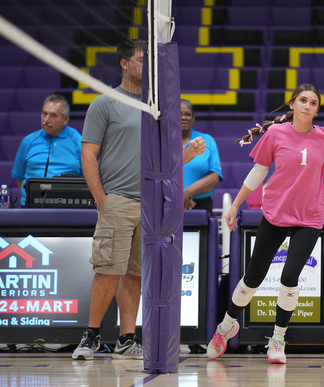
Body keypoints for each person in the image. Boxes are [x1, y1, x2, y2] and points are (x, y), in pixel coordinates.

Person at [207, 83, 324, 364]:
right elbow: (259, 171)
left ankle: (278, 339)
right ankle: (227, 325)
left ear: (317, 110)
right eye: (303, 100)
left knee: (290, 276)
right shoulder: (275, 133)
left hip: (309, 217)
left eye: (313, 103)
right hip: (276, 214)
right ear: (292, 104)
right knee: (253, 277)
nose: (307, 106)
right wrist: (235, 205)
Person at [72, 39, 205, 361]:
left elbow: (165, 162)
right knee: (108, 270)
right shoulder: (105, 104)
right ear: (124, 63)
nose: (147, 68)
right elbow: (88, 153)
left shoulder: (156, 109)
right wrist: (102, 200)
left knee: (134, 275)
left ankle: (126, 338)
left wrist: (185, 155)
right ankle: (90, 336)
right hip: (117, 200)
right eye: (142, 60)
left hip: (150, 206)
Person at [11, 94, 83, 206]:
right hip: (31, 207)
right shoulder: (28, 141)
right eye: (44, 114)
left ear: (65, 119)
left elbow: (88, 179)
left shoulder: (78, 142)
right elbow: (19, 178)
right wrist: (33, 197)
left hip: (67, 208)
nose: (46, 119)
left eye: (53, 115)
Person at [181, 99, 223, 215]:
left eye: (188, 114)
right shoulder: (162, 140)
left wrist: (187, 192)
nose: (183, 117)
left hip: (201, 204)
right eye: (179, 114)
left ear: (193, 118)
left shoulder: (206, 140)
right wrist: (179, 196)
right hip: (167, 202)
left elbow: (215, 176)